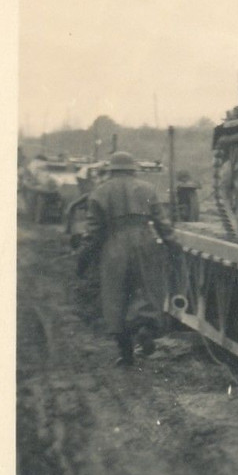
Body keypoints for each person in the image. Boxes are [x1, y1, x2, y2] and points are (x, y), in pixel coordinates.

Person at [79, 151, 172, 366]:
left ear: (111, 170)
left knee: (115, 298)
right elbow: (162, 223)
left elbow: (93, 231)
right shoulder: (147, 189)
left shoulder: (99, 192)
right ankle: (145, 328)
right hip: (145, 243)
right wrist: (172, 245)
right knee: (148, 289)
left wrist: (84, 257)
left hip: (114, 247)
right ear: (133, 169)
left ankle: (126, 353)